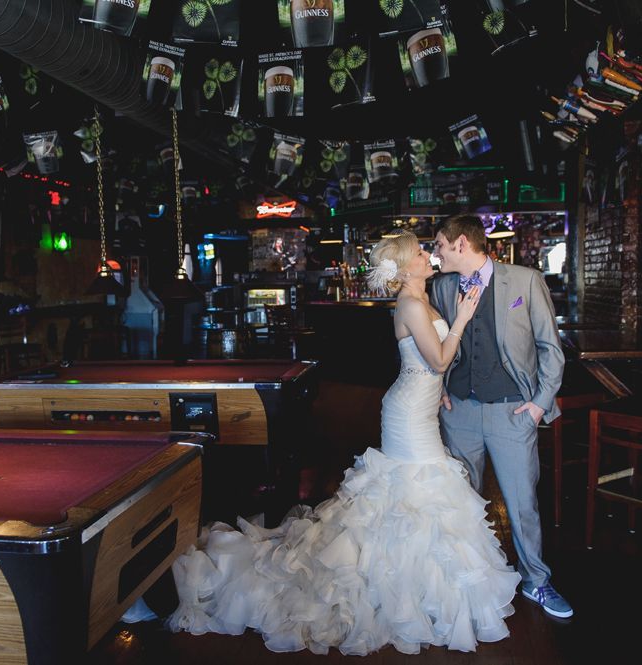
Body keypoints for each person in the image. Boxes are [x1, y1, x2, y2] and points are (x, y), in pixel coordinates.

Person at [166, 230, 522, 655]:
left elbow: (430, 365)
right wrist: (462, 318)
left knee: (419, 494)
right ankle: (399, 592)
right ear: (407, 267)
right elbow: (440, 358)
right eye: (421, 253)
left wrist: (440, 382)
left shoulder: (421, 299)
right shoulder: (410, 303)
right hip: (408, 416)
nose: (429, 256)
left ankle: (416, 590)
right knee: (416, 493)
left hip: (420, 404)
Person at [430, 214, 572, 619]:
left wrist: (540, 404)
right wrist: (439, 389)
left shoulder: (524, 281)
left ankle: (537, 582)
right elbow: (437, 343)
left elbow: (550, 347)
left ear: (460, 244)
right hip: (459, 412)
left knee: (522, 503)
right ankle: (469, 582)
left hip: (512, 411)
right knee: (462, 503)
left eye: (439, 243)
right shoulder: (440, 287)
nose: (435, 252)